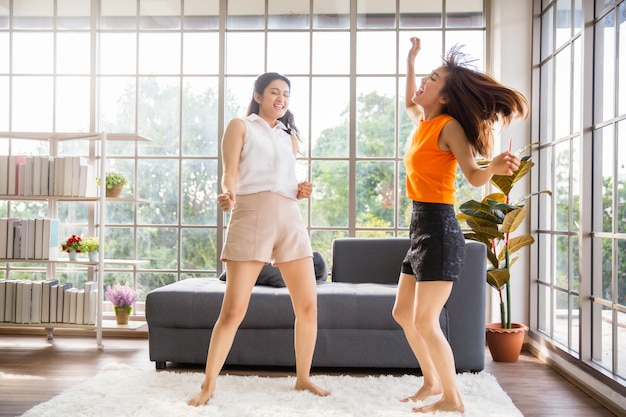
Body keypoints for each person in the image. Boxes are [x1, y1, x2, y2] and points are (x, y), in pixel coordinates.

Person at [392, 37, 528, 414]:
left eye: (432, 79)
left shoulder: (449, 126)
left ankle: (453, 399)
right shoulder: (424, 120)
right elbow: (409, 100)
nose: (423, 83)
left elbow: (472, 174)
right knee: (403, 313)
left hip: (439, 229)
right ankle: (431, 382)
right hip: (420, 228)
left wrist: (494, 166)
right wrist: (411, 62)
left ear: (446, 96)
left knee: (424, 319)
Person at [188, 72, 330, 406]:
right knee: (234, 310)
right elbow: (230, 172)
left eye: (286, 94)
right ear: (258, 95)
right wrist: (228, 193)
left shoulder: (288, 136)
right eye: (274, 92)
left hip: (289, 217)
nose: (281, 99)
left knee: (309, 306)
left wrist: (301, 190)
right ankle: (208, 385)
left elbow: (286, 180)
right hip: (251, 213)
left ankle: (304, 378)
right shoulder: (240, 126)